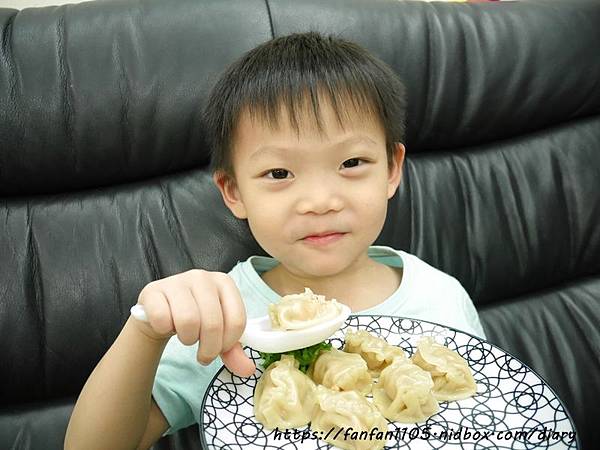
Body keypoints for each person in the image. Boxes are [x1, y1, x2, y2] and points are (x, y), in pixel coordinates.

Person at [64, 31, 486, 450]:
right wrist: (146, 331)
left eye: (352, 162)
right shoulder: (222, 316)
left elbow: (485, 419)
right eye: (279, 174)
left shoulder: (440, 296)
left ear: (392, 169)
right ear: (233, 191)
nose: (320, 202)